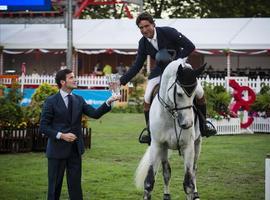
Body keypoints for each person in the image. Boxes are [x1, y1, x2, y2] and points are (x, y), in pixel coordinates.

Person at [119, 12, 216, 145]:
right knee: (147, 97)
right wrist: (121, 81)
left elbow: (190, 46)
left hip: (179, 66)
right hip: (159, 72)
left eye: (147, 26)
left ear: (153, 24)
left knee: (199, 92)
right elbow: (137, 66)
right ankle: (150, 131)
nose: (144, 30)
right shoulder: (143, 43)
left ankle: (204, 126)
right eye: (141, 28)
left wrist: (175, 61)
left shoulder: (168, 32)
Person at [39, 69, 120, 200]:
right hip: (56, 151)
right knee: (54, 188)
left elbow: (95, 114)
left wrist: (109, 101)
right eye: (71, 78)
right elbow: (43, 127)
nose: (75, 79)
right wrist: (62, 135)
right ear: (63, 82)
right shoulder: (51, 101)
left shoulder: (79, 99)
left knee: (76, 188)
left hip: (75, 150)